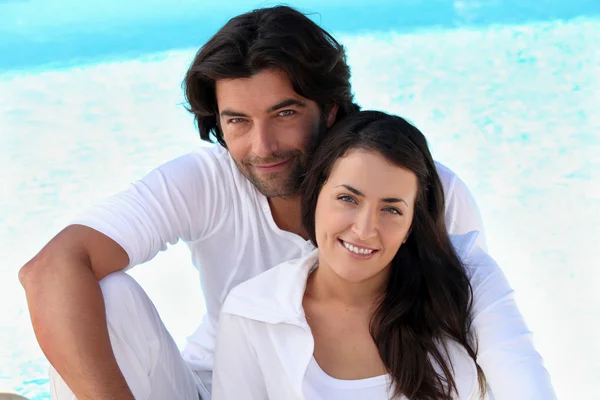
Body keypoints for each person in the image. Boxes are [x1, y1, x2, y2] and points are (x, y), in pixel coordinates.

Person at [19, 6, 487, 400]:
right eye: (238, 121)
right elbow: (50, 269)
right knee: (104, 293)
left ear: (329, 109)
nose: (263, 147)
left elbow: (469, 339)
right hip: (211, 389)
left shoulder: (419, 193)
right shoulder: (209, 178)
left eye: (284, 114)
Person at [211, 111, 556, 400]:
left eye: (391, 210)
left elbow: (527, 386)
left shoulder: (467, 276)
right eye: (348, 199)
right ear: (316, 195)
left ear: (410, 224)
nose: (364, 229)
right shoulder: (252, 312)